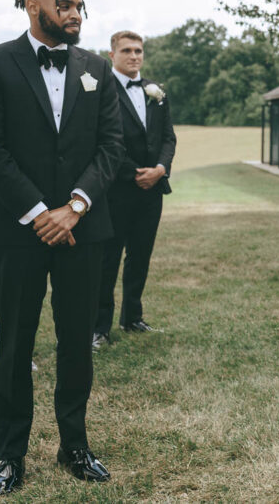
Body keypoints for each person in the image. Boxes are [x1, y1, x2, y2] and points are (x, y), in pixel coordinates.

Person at [0, 0, 124, 495]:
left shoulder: (96, 68)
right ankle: (10, 456)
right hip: (17, 230)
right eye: (66, 4)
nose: (77, 12)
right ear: (33, 6)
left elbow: (111, 146)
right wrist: (39, 212)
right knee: (13, 343)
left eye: (81, 4)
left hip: (84, 228)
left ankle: (74, 446)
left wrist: (75, 205)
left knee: (77, 341)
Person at [93, 31, 177, 350]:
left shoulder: (156, 91)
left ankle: (133, 317)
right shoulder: (101, 89)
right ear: (111, 54)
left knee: (140, 255)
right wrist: (134, 173)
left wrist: (159, 169)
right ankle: (99, 327)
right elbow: (101, 140)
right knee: (108, 259)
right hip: (116, 189)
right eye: (126, 50)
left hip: (152, 189)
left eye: (138, 50)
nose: (134, 56)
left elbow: (168, 137)